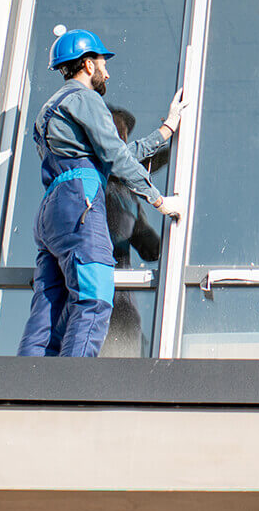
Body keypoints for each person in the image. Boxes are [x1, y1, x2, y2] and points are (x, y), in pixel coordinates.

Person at [17, 28, 187, 357]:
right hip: (80, 205)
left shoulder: (50, 109)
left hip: (53, 211)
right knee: (93, 299)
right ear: (87, 65)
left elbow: (110, 153)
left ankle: (24, 388)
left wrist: (166, 129)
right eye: (102, 63)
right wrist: (159, 200)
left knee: (47, 312)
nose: (106, 71)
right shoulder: (85, 99)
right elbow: (116, 156)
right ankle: (70, 393)